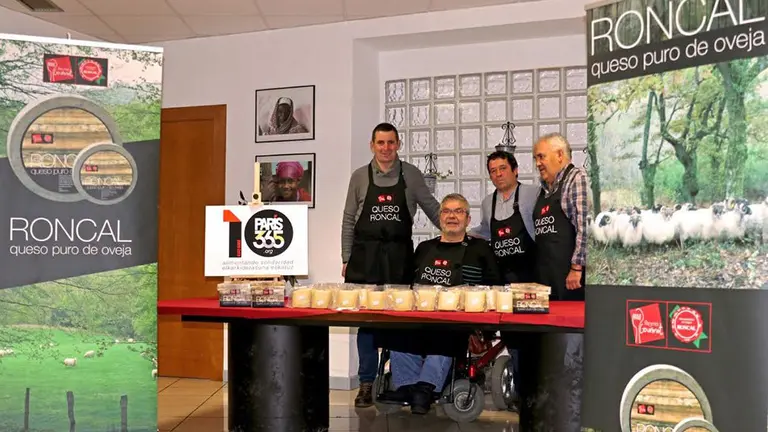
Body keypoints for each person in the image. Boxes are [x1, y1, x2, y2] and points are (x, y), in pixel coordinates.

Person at [341, 122, 441, 408]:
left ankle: (402, 380)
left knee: (399, 319)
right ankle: (366, 383)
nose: (386, 148)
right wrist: (346, 258)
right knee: (367, 324)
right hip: (364, 257)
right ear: (372, 145)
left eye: (391, 143)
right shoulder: (359, 177)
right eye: (380, 143)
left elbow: (432, 207)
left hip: (398, 257)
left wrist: (454, 230)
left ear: (398, 144)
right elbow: (349, 219)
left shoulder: (411, 175)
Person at [387, 193, 503, 414]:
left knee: (446, 331)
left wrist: (484, 331)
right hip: (421, 318)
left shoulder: (481, 250)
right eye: (447, 211)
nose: (452, 216)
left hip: (459, 322)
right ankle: (408, 386)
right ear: (440, 217)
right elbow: (408, 287)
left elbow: (494, 291)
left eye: (458, 211)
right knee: (397, 329)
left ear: (468, 220)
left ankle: (426, 386)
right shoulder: (424, 249)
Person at [505, 132, 588, 431]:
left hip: (571, 283)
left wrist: (577, 267)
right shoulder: (544, 190)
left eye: (542, 156)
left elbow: (585, 226)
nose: (538, 162)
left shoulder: (574, 179)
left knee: (570, 351)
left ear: (561, 155)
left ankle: (572, 414)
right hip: (547, 281)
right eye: (536, 157)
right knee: (548, 348)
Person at [469, 151, 539, 283]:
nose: (498, 174)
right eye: (493, 171)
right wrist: (460, 234)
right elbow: (485, 231)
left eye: (503, 168)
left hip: (532, 274)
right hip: (502, 275)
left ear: (515, 170)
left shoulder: (533, 193)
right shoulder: (487, 202)